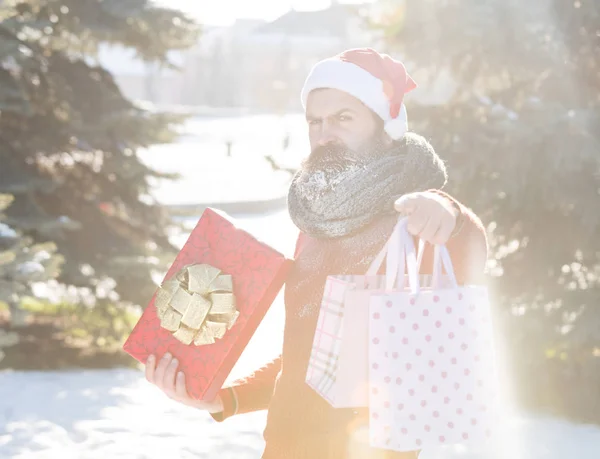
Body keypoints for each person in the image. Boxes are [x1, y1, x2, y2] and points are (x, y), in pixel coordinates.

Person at [144, 48, 488, 458]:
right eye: (315, 121)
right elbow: (310, 358)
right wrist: (227, 399)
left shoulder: (413, 216)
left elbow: (470, 255)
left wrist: (451, 215)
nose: (325, 132)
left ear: (385, 126)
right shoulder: (318, 223)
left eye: (344, 118)